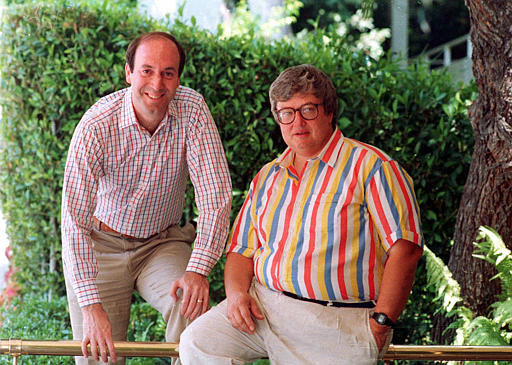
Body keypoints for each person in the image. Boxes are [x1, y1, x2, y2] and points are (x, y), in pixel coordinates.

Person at [179, 64, 424, 365]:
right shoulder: (268, 176)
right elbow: (241, 251)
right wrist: (236, 295)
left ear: (329, 111)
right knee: (199, 343)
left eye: (308, 109)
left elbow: (406, 249)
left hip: (336, 321)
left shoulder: (372, 167)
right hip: (263, 308)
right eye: (286, 113)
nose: (297, 122)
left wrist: (381, 323)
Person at [61, 31, 232, 364]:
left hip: (161, 243)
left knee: (191, 306)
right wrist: (91, 307)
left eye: (168, 72)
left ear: (178, 77)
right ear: (129, 73)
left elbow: (216, 198)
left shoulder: (192, 109)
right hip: (102, 245)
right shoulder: (96, 125)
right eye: (147, 70)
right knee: (98, 354)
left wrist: (198, 271)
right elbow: (73, 221)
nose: (158, 82)